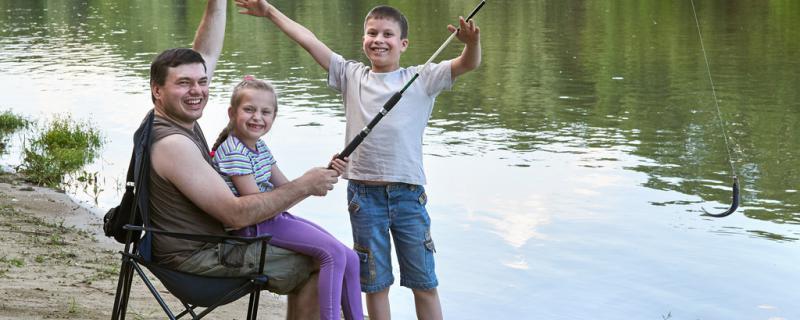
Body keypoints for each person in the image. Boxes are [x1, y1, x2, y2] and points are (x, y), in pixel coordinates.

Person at [234, 1, 482, 319]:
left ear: (403, 44)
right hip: (364, 198)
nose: (379, 39)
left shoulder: (422, 78)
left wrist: (472, 43)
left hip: (408, 197)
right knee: (375, 285)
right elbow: (308, 40)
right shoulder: (351, 75)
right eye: (372, 33)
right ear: (363, 39)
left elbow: (467, 64)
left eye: (388, 34)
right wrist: (270, 12)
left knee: (424, 282)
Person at [147, 1, 341, 318]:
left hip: (202, 243)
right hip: (195, 258)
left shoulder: (174, 117)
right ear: (158, 90)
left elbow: (205, 54)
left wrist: (217, 4)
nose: (197, 90)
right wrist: (305, 185)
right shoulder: (172, 144)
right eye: (184, 83)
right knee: (317, 261)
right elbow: (236, 215)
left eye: (202, 81)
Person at [209, 76, 364, 320]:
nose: (257, 117)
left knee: (351, 257)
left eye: (265, 112)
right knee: (332, 253)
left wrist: (323, 174)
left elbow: (286, 189)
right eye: (249, 109)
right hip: (253, 226)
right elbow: (256, 203)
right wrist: (304, 187)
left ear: (273, 116)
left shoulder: (260, 147)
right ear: (232, 112)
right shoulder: (233, 149)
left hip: (272, 218)